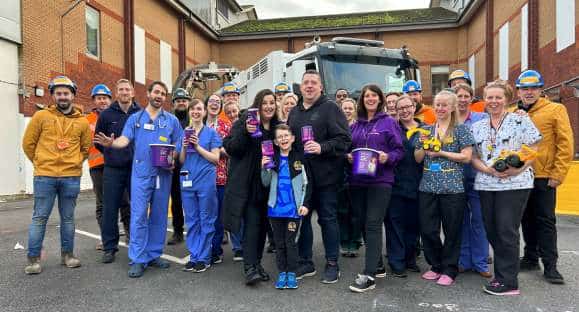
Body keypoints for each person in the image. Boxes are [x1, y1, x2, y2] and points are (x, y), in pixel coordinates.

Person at [94, 81, 183, 278]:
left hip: (163, 175)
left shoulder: (171, 120)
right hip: (141, 175)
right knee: (138, 216)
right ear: (148, 94)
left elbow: (178, 142)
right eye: (156, 92)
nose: (159, 96)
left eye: (163, 94)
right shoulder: (135, 118)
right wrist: (112, 143)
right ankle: (138, 258)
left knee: (159, 216)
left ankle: (153, 254)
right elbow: (124, 140)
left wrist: (173, 158)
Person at [471, 80, 542, 295]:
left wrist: (518, 170)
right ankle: (500, 275)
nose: (493, 101)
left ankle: (509, 281)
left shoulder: (520, 120)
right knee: (492, 230)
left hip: (515, 183)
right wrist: (488, 170)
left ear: (507, 99)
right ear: (484, 100)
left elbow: (535, 146)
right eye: (489, 97)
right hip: (486, 183)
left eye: (498, 97)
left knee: (506, 230)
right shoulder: (477, 126)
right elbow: (473, 156)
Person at [22, 76, 91, 274]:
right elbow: (28, 143)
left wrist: (77, 161)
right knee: (39, 218)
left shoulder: (82, 122)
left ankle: (68, 255)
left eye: (66, 93)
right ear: (53, 95)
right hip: (45, 176)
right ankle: (33, 260)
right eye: (58, 93)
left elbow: (86, 148)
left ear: (72, 96)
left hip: (71, 176)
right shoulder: (41, 116)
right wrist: (39, 162)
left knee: (68, 218)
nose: (62, 97)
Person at [288, 70, 352, 284]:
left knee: (328, 220)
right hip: (302, 179)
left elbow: (344, 140)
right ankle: (306, 262)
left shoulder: (330, 108)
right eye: (305, 82)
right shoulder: (294, 111)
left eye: (313, 83)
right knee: (302, 220)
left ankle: (332, 263)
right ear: (300, 87)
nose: (309, 86)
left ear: (321, 87)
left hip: (326, 177)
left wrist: (322, 147)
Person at [517, 70, 574, 285]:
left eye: (533, 88)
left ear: (541, 90)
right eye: (525, 88)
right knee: (525, 220)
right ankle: (531, 257)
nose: (529, 92)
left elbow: (565, 144)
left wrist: (558, 174)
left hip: (544, 176)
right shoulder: (514, 112)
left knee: (545, 221)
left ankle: (551, 265)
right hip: (520, 176)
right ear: (519, 91)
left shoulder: (555, 110)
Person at [347, 84, 404, 293]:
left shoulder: (388, 122)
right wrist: (348, 156)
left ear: (380, 99)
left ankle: (369, 275)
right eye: (366, 96)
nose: (370, 99)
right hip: (357, 181)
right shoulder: (354, 126)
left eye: (374, 96)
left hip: (381, 181)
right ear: (361, 100)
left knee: (372, 223)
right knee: (362, 222)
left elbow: (399, 150)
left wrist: (388, 157)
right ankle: (378, 264)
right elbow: (348, 148)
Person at [414, 90, 474, 286]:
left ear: (452, 107)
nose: (440, 108)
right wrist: (423, 147)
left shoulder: (461, 129)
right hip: (428, 187)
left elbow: (466, 157)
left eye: (444, 105)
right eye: (437, 104)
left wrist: (442, 154)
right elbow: (417, 158)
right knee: (428, 230)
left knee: (452, 231)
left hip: (452, 189)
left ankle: (450, 268)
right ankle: (436, 265)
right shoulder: (426, 130)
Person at [222, 89, 280, 285]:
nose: (269, 106)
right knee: (253, 226)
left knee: (263, 227)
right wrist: (246, 133)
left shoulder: (276, 126)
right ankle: (249, 268)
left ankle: (257, 264)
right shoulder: (245, 121)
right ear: (258, 104)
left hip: (267, 184)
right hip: (247, 184)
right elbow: (231, 147)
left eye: (272, 102)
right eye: (265, 103)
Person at [95, 78, 140, 263]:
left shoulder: (141, 113)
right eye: (120, 89)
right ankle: (110, 247)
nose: (124, 92)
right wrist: (111, 152)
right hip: (113, 169)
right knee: (109, 209)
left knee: (136, 207)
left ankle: (136, 242)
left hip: (135, 168)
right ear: (116, 92)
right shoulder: (106, 115)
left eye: (127, 89)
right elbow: (99, 141)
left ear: (133, 92)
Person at [261, 124, 311, 289]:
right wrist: (264, 167)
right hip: (275, 210)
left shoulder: (299, 158)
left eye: (286, 135)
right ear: (275, 141)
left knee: (290, 242)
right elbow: (265, 182)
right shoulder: (272, 158)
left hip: (293, 210)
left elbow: (307, 183)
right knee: (279, 242)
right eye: (280, 137)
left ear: (293, 138)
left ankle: (292, 272)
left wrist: (305, 204)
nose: (283, 139)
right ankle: (282, 272)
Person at [178, 99, 222, 273]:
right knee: (192, 220)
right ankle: (194, 255)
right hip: (187, 180)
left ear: (204, 112)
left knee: (206, 219)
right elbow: (181, 160)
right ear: (189, 112)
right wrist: (183, 147)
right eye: (193, 109)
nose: (196, 112)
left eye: (199, 109)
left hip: (205, 181)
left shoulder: (211, 134)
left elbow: (216, 158)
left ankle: (204, 257)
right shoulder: (184, 133)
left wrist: (196, 147)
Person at [453, 83, 491, 278]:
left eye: (466, 96)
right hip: (455, 179)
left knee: (479, 220)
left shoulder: (482, 118)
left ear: (471, 98)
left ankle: (481, 262)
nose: (462, 99)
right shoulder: (449, 121)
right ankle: (463, 260)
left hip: (478, 177)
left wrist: (518, 114)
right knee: (460, 221)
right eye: (459, 96)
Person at [385, 95, 423, 278]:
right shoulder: (392, 129)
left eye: (408, 107)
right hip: (396, 184)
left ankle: (410, 259)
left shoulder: (426, 130)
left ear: (414, 106)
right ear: (396, 110)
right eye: (401, 108)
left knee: (413, 225)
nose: (405, 111)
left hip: (419, 184)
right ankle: (396, 262)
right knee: (395, 224)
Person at [205, 94, 243, 264]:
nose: (214, 104)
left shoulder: (226, 125)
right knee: (208, 216)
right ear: (206, 105)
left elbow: (232, 150)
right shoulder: (198, 124)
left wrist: (216, 149)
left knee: (224, 214)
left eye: (217, 102)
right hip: (202, 177)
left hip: (222, 176)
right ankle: (213, 249)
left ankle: (236, 248)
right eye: (211, 101)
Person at [86, 84, 112, 251]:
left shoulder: (116, 117)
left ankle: (131, 238)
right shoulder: (86, 120)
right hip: (97, 167)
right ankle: (106, 238)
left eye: (105, 97)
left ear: (110, 100)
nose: (102, 100)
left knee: (124, 202)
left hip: (116, 165)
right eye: (99, 98)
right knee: (102, 204)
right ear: (94, 100)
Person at [167, 88, 191, 245]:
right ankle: (177, 231)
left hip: (192, 167)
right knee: (176, 200)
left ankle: (197, 230)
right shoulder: (168, 121)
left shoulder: (196, 118)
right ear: (173, 103)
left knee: (194, 199)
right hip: (174, 168)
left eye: (184, 100)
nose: (181, 102)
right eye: (178, 100)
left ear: (188, 102)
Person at [337, 97, 361, 257]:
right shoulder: (336, 127)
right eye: (344, 108)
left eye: (350, 108)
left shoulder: (360, 127)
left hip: (357, 173)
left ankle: (355, 241)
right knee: (342, 210)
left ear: (355, 110)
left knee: (356, 211)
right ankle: (343, 241)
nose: (347, 110)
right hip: (339, 173)